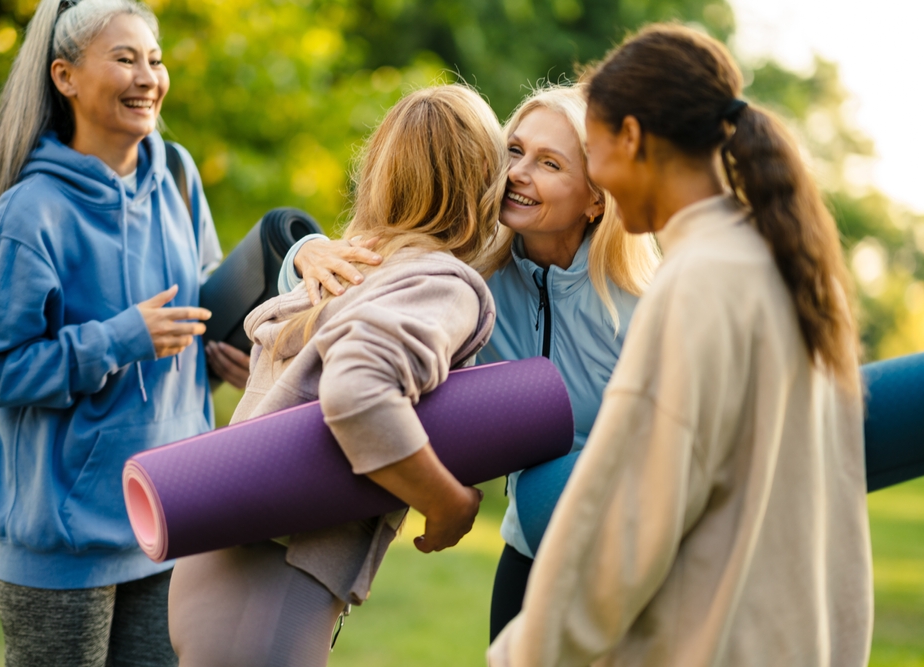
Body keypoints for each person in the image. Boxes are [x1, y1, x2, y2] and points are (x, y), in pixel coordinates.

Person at [488, 24, 872, 666]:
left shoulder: (695, 285)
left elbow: (629, 520)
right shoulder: (797, 269)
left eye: (595, 149)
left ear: (631, 139)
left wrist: (523, 654)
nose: (602, 179)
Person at [280, 84, 659, 640]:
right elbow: (361, 274)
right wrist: (304, 252)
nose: (518, 173)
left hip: (630, 562)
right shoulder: (469, 275)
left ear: (595, 198)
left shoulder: (642, 308)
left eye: (549, 163)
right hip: (528, 553)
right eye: (514, 150)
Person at [167, 83, 507, 666]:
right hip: (271, 586)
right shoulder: (441, 283)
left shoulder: (349, 265)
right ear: (482, 179)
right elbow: (356, 391)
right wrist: (446, 501)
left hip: (216, 569)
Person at [0, 0, 246, 663]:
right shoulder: (29, 217)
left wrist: (224, 351)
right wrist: (118, 340)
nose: (148, 77)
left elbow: (199, 292)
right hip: (65, 544)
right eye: (124, 59)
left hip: (174, 515)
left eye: (156, 59)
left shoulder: (176, 175)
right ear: (65, 77)